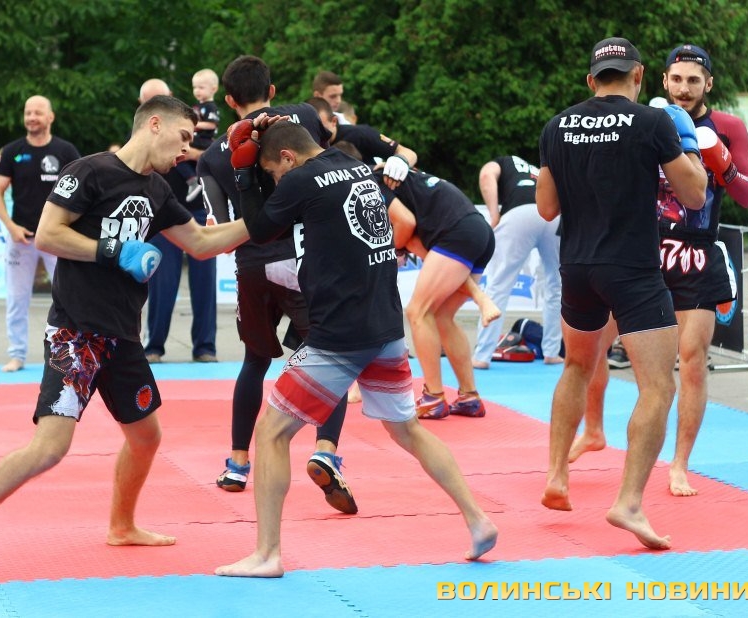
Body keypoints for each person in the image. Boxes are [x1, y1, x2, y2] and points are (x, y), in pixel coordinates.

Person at [0, 94, 251, 575]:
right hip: (76, 332)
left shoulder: (158, 190)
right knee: (50, 447)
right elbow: (49, 234)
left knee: (146, 437)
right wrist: (114, 250)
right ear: (154, 124)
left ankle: (122, 525)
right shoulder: (88, 171)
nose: (185, 150)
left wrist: (263, 221)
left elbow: (201, 242)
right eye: (183, 137)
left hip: (122, 335)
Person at [215, 118, 498, 578]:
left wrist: (246, 176)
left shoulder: (302, 178)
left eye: (274, 173)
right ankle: (478, 519)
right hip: (384, 327)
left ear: (287, 157)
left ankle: (267, 554)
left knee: (270, 433)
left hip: (340, 335)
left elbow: (260, 229)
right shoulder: (354, 166)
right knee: (407, 431)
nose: (277, 182)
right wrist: (264, 148)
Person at [536, 37, 707, 550]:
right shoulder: (653, 122)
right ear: (638, 76)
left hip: (577, 267)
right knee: (657, 387)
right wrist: (688, 143)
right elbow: (695, 193)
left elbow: (547, 208)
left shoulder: (557, 125)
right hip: (632, 269)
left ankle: (556, 476)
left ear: (592, 80)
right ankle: (628, 502)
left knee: (576, 366)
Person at [569, 44, 748, 498]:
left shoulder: (727, 127)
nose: (684, 88)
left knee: (692, 362)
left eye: (693, 80)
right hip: (642, 251)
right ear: (663, 81)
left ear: (708, 84)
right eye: (677, 79)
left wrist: (724, 165)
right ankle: (593, 428)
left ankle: (679, 464)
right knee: (591, 346)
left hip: (697, 254)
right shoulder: (642, 120)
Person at [198, 55, 356, 513]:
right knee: (331, 358)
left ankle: (237, 463)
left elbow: (219, 224)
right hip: (303, 257)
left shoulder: (212, 156)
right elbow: (328, 159)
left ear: (229, 100)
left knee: (254, 362)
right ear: (272, 90)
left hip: (251, 263)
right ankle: (325, 451)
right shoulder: (302, 116)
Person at [385, 170, 499, 419]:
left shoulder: (374, 183)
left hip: (457, 234)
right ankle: (469, 397)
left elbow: (405, 223)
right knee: (442, 316)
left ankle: (433, 397)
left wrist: (393, 246)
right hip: (477, 230)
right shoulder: (405, 178)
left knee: (418, 312)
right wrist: (479, 297)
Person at [0, 95, 81, 372]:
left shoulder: (66, 151)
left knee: (68, 297)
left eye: (38, 112)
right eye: (28, 112)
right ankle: (17, 355)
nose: (32, 117)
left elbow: (83, 191)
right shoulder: (12, 151)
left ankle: (71, 353)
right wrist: (11, 227)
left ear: (50, 117)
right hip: (21, 237)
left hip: (56, 238)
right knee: (17, 299)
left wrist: (69, 227)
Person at [138, 79, 217, 364]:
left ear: (171, 97)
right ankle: (154, 345)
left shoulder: (189, 121)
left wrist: (193, 153)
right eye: (150, 101)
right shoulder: (141, 133)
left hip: (198, 209)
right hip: (162, 214)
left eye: (161, 98)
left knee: (205, 282)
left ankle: (205, 346)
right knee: (162, 283)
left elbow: (217, 153)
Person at [472, 155, 563, 369]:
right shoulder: (537, 170)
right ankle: (552, 352)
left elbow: (486, 176)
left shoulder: (503, 162)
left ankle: (482, 355)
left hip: (519, 212)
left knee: (499, 284)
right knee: (556, 285)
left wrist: (494, 215)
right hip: (553, 215)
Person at [306, 97, 418, 189]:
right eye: (310, 130)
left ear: (334, 121)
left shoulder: (360, 134)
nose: (316, 134)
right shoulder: (306, 146)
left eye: (321, 128)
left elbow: (408, 153)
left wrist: (400, 161)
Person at [177, 68, 220, 203]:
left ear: (213, 89)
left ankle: (193, 180)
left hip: (204, 140)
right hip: (197, 139)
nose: (197, 91)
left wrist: (194, 125)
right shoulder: (197, 106)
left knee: (176, 149)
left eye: (201, 87)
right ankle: (194, 179)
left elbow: (212, 125)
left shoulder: (210, 106)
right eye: (195, 87)